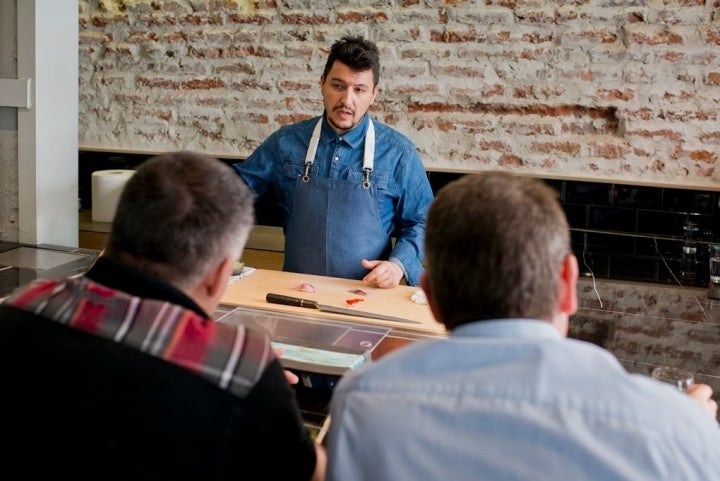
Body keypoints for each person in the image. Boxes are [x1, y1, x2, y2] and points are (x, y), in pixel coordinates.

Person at [326, 171, 720, 481]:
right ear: (568, 284)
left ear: (431, 298)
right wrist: (688, 430)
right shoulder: (671, 428)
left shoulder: (362, 401)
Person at [0, 151, 325, 480]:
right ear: (220, 273)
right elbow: (315, 472)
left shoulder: (23, 303)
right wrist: (264, 394)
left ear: (117, 233)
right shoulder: (242, 366)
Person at [233, 35, 433, 288]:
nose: (346, 101)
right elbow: (232, 193)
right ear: (322, 84)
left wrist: (398, 264)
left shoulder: (399, 153)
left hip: (368, 296)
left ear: (374, 94)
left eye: (359, 90)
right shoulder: (285, 143)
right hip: (297, 293)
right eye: (338, 86)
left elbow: (423, 221)